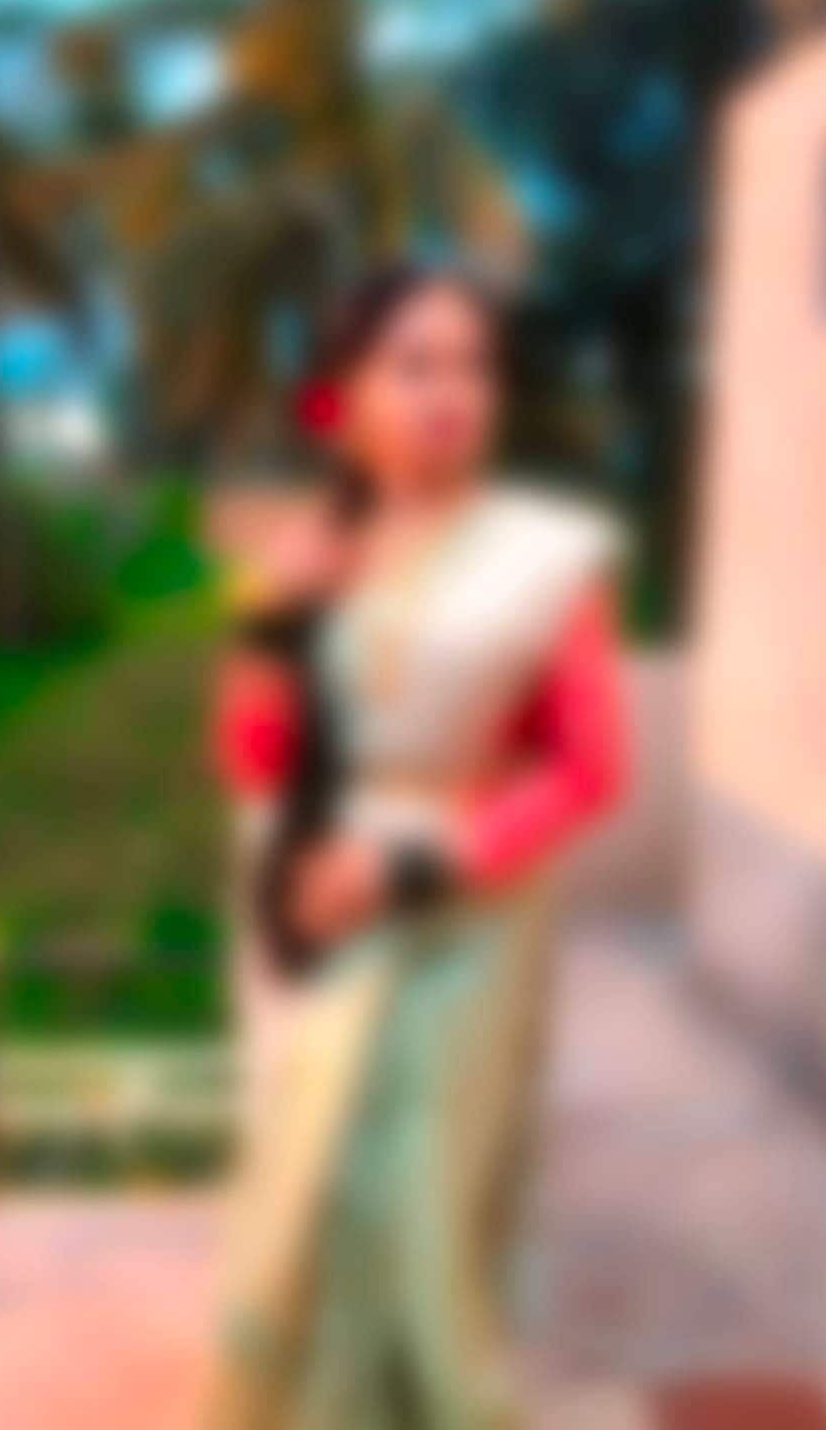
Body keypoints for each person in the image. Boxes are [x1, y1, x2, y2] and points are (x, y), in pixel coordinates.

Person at [208, 265, 631, 1428]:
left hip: (468, 920)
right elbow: (254, 759)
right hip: (312, 914)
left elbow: (591, 769)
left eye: (473, 364)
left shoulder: (548, 556)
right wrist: (270, 622)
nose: (451, 390)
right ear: (347, 392)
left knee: (426, 1207)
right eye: (414, 364)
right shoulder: (307, 548)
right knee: (308, 1197)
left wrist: (408, 867)